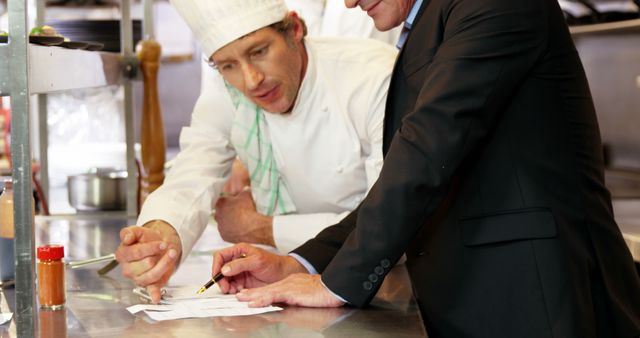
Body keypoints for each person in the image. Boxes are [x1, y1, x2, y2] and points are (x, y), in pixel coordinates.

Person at [211, 0, 640, 336]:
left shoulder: (491, 6)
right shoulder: (432, 22)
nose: (348, 3)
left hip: (539, 295)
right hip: (481, 299)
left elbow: (428, 149)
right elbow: (409, 170)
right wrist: (303, 263)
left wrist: (336, 283)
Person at [114, 0, 397, 303]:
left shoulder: (372, 77)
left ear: (295, 29)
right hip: (278, 282)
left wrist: (264, 229)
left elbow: (392, 220)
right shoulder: (227, 93)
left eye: (259, 51)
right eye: (228, 65)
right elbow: (193, 172)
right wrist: (162, 236)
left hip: (381, 287)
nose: (251, 80)